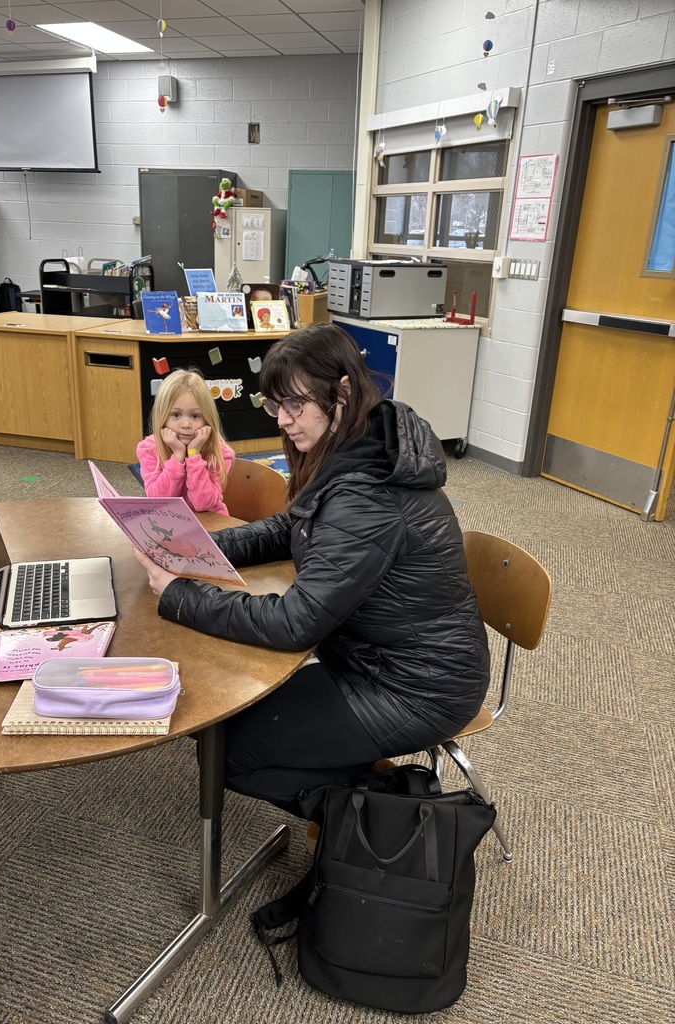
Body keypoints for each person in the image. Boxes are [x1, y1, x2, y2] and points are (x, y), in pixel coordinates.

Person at [134, 324, 490, 818]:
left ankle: (382, 813)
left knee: (229, 755)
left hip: (416, 687)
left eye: (295, 405)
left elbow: (294, 623)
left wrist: (178, 592)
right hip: (372, 658)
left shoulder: (369, 494)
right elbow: (289, 528)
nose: (283, 421)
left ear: (342, 391)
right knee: (219, 724)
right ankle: (361, 783)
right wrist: (194, 549)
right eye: (276, 406)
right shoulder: (359, 446)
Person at [137, 368, 234, 515]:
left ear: (207, 419)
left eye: (195, 416)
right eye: (176, 415)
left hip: (212, 527)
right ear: (162, 416)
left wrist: (194, 455)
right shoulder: (148, 448)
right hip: (170, 524)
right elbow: (159, 501)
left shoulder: (221, 452)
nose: (186, 424)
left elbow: (203, 504)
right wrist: (177, 456)